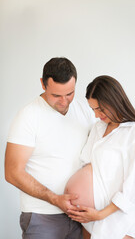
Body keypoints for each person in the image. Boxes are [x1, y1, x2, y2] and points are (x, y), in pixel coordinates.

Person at [5, 57, 95, 239]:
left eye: (69, 93)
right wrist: (55, 199)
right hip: (42, 216)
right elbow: (12, 172)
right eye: (56, 95)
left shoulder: (85, 110)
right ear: (42, 84)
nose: (64, 101)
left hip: (81, 216)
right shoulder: (28, 116)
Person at [65, 75, 135, 239]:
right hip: (89, 219)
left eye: (100, 109)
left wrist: (100, 215)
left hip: (115, 220)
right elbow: (85, 163)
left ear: (114, 101)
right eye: (93, 109)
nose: (96, 115)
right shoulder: (98, 128)